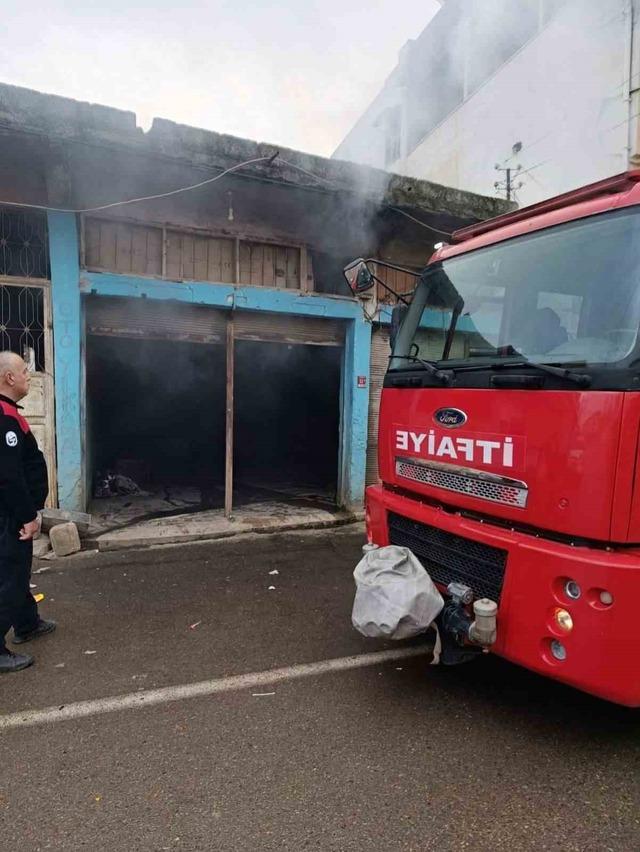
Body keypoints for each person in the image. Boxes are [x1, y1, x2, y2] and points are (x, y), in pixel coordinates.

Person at [0, 351, 55, 673]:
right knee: (8, 578)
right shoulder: (5, 418)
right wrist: (27, 517)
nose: (29, 376)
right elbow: (8, 477)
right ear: (9, 378)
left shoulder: (9, 413)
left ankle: (27, 623)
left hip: (10, 515)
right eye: (24, 371)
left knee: (17, 574)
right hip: (9, 518)